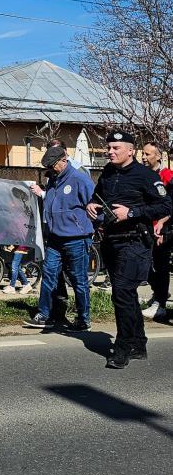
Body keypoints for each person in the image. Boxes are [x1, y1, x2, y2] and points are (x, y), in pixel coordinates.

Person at [88, 130, 172, 369]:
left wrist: (132, 213)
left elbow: (165, 205)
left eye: (116, 148)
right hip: (112, 239)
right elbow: (98, 195)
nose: (110, 152)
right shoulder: (107, 173)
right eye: (109, 148)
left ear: (130, 151)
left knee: (122, 292)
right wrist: (92, 204)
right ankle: (139, 344)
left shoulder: (145, 175)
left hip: (135, 241)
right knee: (125, 294)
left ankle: (123, 347)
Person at [24, 145, 95, 332]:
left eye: (52, 166)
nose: (49, 170)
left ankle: (83, 318)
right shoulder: (53, 181)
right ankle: (44, 314)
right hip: (55, 238)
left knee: (79, 280)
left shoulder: (80, 179)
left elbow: (96, 206)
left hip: (77, 238)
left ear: (64, 161)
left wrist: (88, 230)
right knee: (48, 276)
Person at [140, 141, 172, 320]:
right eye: (142, 154)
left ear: (159, 156)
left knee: (160, 266)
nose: (143, 158)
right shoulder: (142, 175)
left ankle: (160, 303)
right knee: (142, 265)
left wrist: (162, 222)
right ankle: (159, 293)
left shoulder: (167, 176)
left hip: (163, 228)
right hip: (144, 227)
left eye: (148, 154)